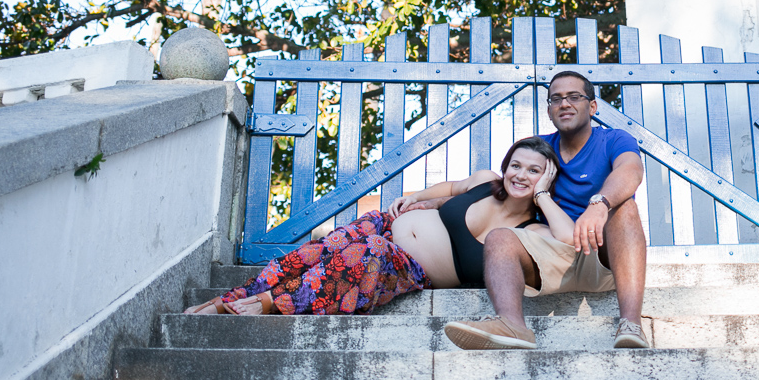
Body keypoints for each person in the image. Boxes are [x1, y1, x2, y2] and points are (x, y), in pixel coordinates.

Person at [184, 137, 575, 316]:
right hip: (386, 225)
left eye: (534, 171)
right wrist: (417, 197)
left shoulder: (531, 232)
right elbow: (449, 187)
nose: (520, 174)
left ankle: (268, 305)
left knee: (364, 255)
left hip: (406, 267)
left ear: (546, 178)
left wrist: (543, 196)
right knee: (315, 252)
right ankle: (228, 300)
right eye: (516, 165)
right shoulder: (484, 182)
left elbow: (569, 241)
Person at [442, 70, 649, 350]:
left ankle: (631, 324)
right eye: (556, 99)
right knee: (500, 238)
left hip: (604, 255)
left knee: (626, 209)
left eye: (574, 97)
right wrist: (432, 202)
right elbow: (502, 186)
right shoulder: (539, 148)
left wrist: (600, 203)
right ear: (549, 111)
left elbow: (631, 170)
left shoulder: (614, 140)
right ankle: (512, 326)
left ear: (592, 106)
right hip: (553, 253)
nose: (564, 103)